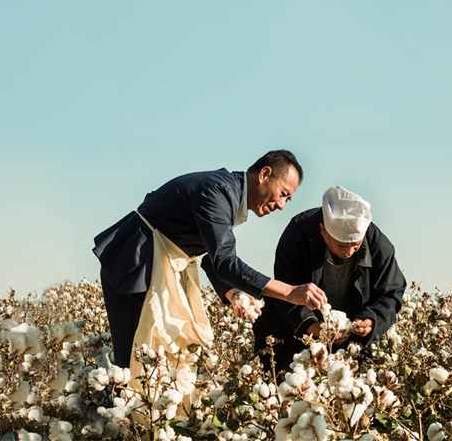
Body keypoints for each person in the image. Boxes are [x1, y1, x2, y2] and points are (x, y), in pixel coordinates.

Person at [93, 150, 328, 368]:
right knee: (137, 358)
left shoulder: (229, 195)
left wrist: (235, 294)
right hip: (136, 265)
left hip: (149, 264)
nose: (281, 205)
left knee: (161, 359)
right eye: (283, 194)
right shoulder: (219, 192)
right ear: (265, 174)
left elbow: (209, 259)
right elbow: (225, 262)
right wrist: (288, 291)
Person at [254, 186, 406, 372]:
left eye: (355, 246)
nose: (349, 253)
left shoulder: (379, 247)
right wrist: (312, 327)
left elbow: (390, 294)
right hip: (290, 335)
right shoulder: (299, 234)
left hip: (349, 342)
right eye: (342, 246)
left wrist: (372, 321)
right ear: (323, 231)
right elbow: (285, 289)